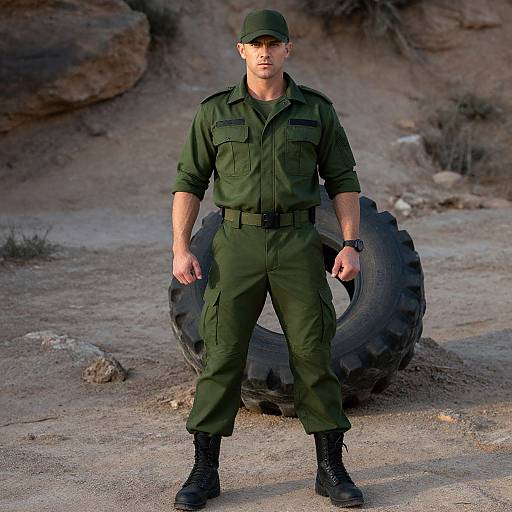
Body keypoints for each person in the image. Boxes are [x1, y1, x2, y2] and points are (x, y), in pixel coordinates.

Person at [171, 8, 365, 510]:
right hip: (235, 243)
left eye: (272, 44)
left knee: (312, 351)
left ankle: (330, 468)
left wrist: (350, 243)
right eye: (254, 44)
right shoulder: (214, 112)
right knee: (222, 354)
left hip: (299, 244)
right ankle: (204, 471)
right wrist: (180, 247)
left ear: (287, 49)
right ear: (240, 50)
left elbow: (342, 180)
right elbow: (189, 182)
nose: (263, 52)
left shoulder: (316, 111)